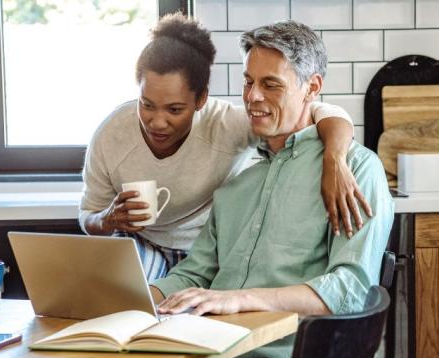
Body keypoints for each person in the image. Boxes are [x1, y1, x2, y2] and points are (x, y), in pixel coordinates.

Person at [151, 20, 394, 358]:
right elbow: (195, 273)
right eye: (248, 82)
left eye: (271, 85)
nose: (252, 96)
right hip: (203, 347)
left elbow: (349, 289)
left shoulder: (354, 171)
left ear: (312, 88)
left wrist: (240, 298)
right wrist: (142, 294)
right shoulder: (237, 184)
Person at [79, 14, 371, 282]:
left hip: (205, 252)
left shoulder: (227, 125)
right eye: (147, 105)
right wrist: (106, 219)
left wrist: (335, 160)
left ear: (201, 100)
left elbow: (325, 112)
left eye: (175, 109)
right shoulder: (111, 136)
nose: (157, 122)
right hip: (144, 244)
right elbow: (87, 216)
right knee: (120, 304)